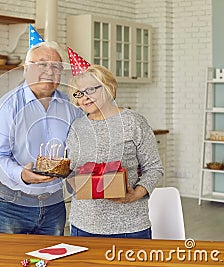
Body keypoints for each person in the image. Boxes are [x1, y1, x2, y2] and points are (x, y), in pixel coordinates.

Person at [0, 40, 82, 235]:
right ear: (27, 68)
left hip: (53, 202)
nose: (49, 70)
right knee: (9, 262)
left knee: (50, 261)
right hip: (11, 203)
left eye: (56, 66)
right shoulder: (8, 106)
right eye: (42, 64)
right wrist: (21, 174)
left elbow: (81, 146)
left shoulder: (71, 106)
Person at [66, 62, 163, 238]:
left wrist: (135, 195)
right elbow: (72, 172)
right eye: (79, 93)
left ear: (107, 87)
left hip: (130, 227)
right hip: (83, 225)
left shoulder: (133, 122)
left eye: (90, 90)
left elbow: (154, 168)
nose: (85, 97)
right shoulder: (76, 127)